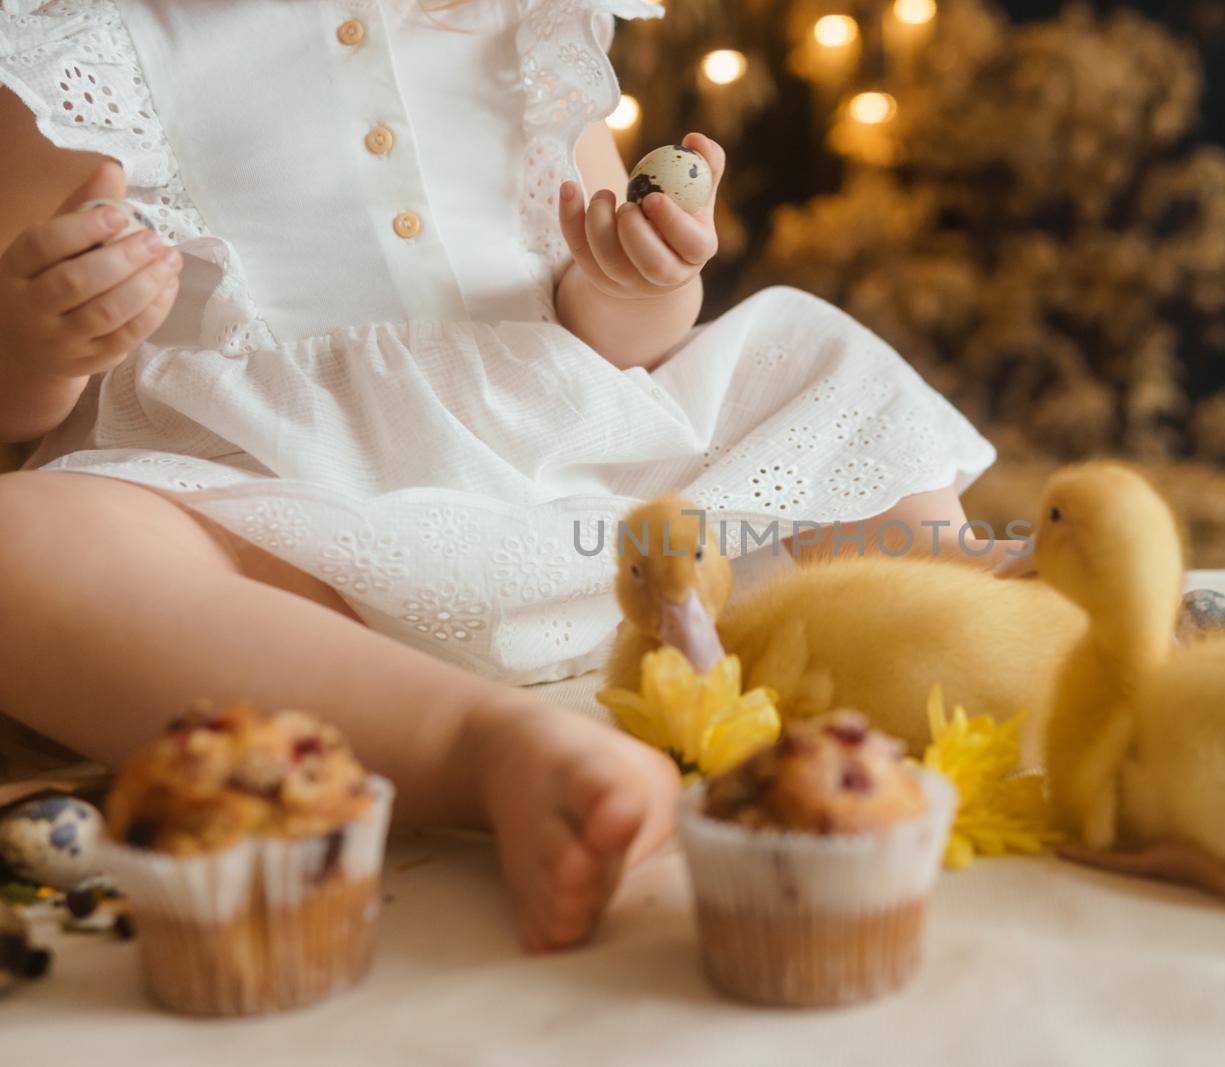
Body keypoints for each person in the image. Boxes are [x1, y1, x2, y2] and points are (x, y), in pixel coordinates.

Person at [0, 0, 995, 950]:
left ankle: (968, 604)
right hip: (288, 531)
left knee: (805, 352)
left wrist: (633, 280)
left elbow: (618, 336)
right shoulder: (77, 50)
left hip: (586, 487)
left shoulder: (527, 25)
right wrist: (42, 338)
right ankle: (483, 748)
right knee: (21, 542)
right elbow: (15, 402)